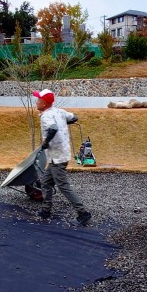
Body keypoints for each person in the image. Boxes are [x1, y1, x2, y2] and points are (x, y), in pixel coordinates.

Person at [35, 89, 92, 225]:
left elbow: (53, 128)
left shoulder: (46, 116)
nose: (36, 102)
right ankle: (46, 210)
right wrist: (63, 123)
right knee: (46, 182)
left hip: (57, 157)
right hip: (60, 154)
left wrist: (46, 142)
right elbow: (74, 117)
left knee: (63, 186)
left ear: (44, 103)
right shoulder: (59, 112)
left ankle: (83, 213)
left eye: (38, 100)